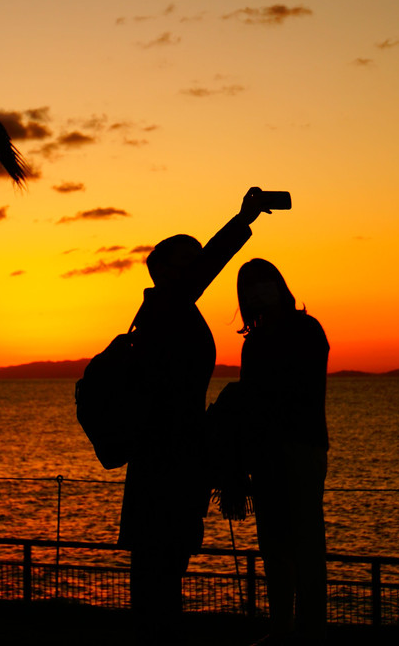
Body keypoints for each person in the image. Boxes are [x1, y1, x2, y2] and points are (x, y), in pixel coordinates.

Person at [119, 189, 273, 642]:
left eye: (195, 258)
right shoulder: (167, 305)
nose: (196, 265)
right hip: (164, 460)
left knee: (162, 570)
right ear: (163, 272)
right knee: (158, 570)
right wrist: (242, 220)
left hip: (170, 458)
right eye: (186, 260)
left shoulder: (168, 310)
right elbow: (209, 266)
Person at [234, 259, 329, 645]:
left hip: (301, 447)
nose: (258, 292)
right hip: (266, 452)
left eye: (264, 283)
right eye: (250, 288)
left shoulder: (306, 329)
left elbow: (290, 389)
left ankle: (310, 629)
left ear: (279, 285)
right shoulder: (254, 341)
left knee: (305, 543)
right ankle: (282, 628)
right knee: (274, 544)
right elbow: (249, 399)